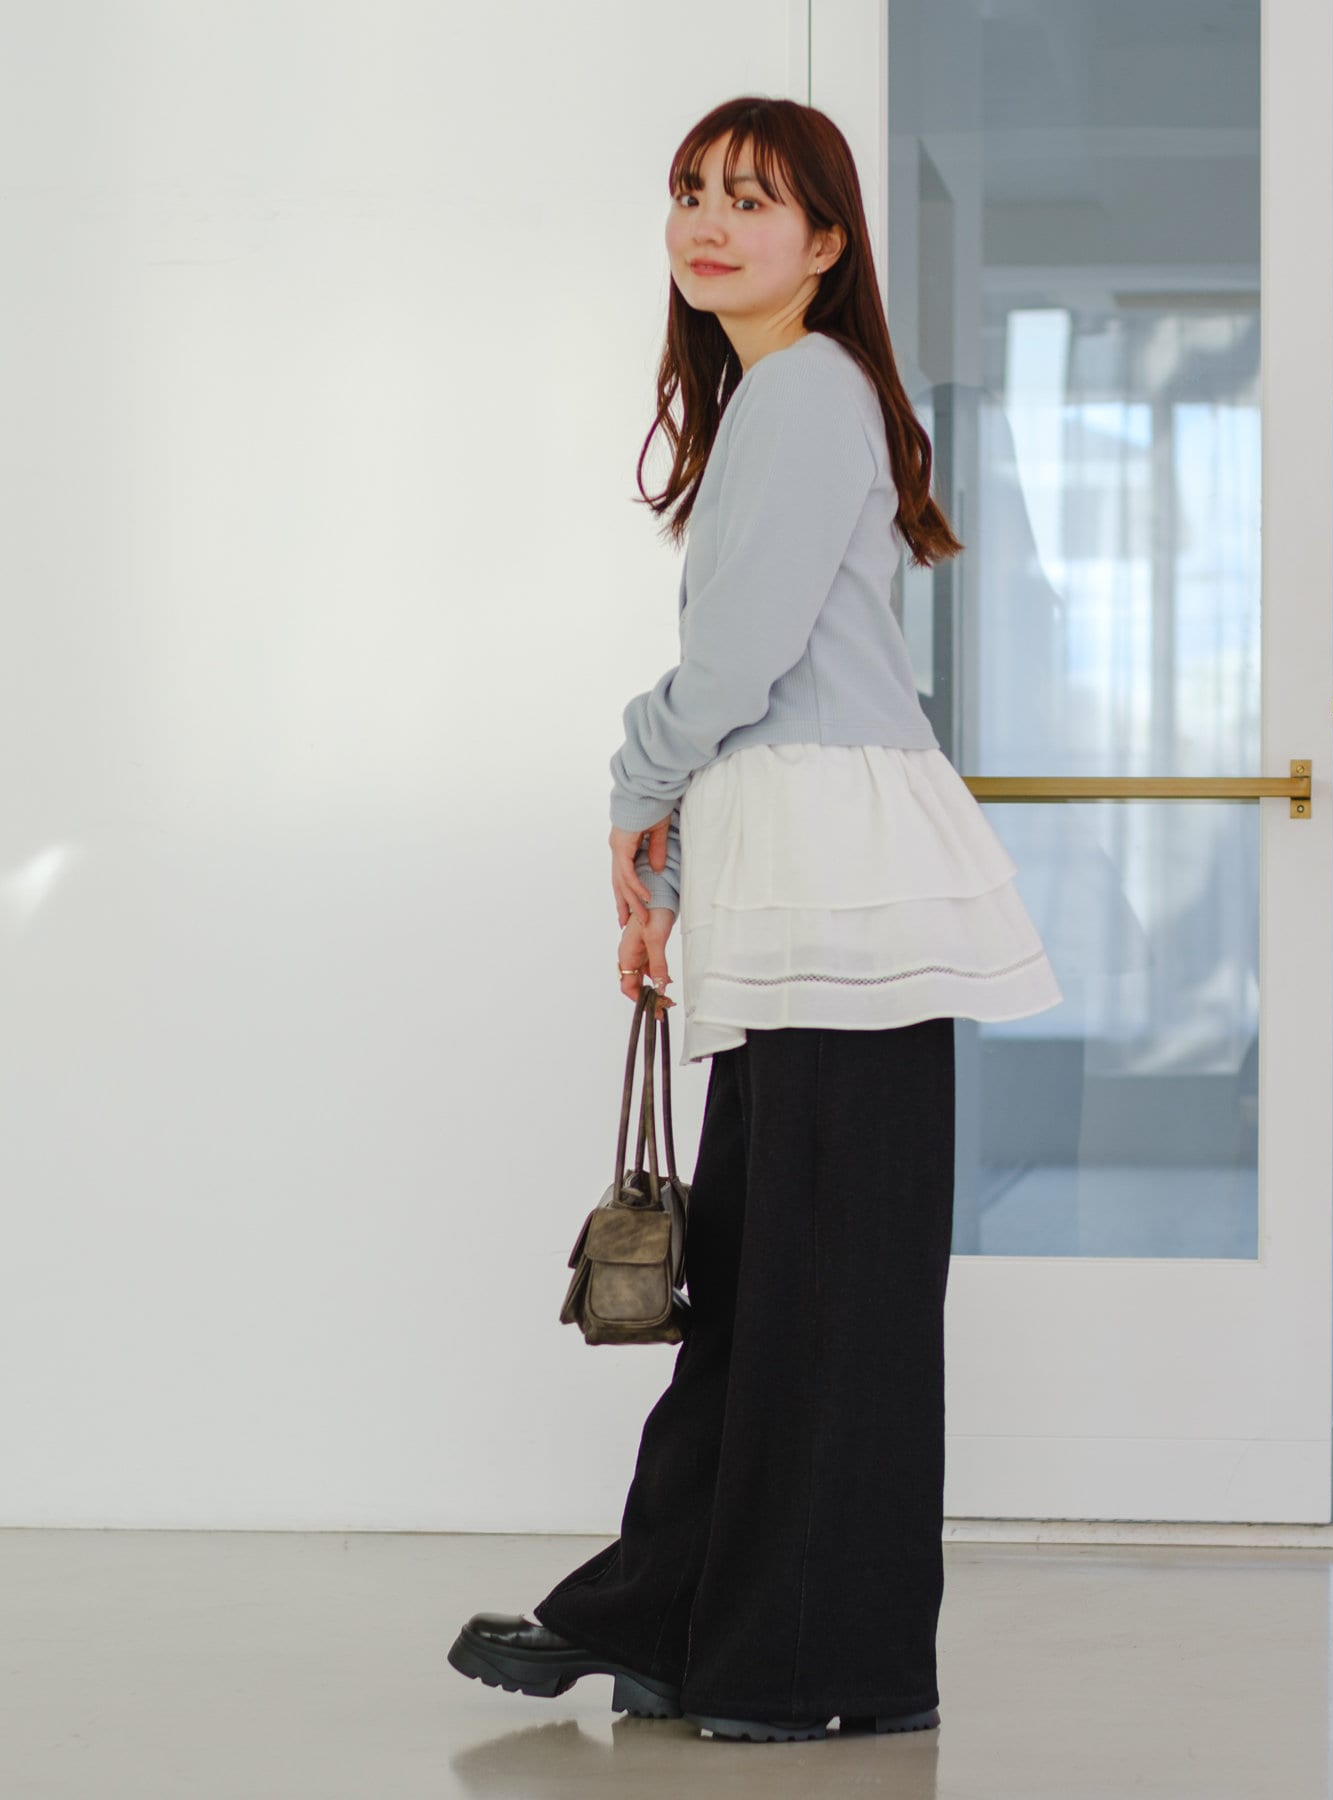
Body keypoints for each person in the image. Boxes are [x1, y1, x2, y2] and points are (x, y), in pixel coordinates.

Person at [446, 93, 1062, 1745]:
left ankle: (809, 1662)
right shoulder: (787, 395)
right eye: (692, 194)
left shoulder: (800, 393)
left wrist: (629, 788)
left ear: (828, 241)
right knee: (766, 1277)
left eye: (754, 200)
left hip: (838, 890)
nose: (709, 226)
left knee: (822, 1292)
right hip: (806, 876)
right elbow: (756, 685)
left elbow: (736, 667)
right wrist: (667, 867)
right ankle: (675, 1617)